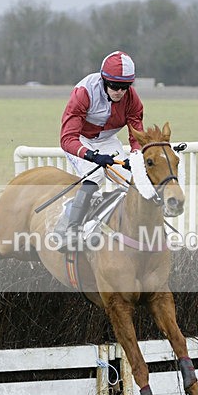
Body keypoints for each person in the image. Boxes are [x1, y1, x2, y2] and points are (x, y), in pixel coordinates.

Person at [56, 50, 144, 249]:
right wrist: (92, 156)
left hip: (106, 140)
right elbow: (67, 138)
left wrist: (136, 157)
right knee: (95, 178)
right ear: (104, 80)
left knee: (130, 181)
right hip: (79, 140)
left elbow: (137, 135)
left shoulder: (132, 99)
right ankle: (71, 228)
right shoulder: (84, 93)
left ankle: (132, 231)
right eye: (114, 85)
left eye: (125, 86)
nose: (120, 92)